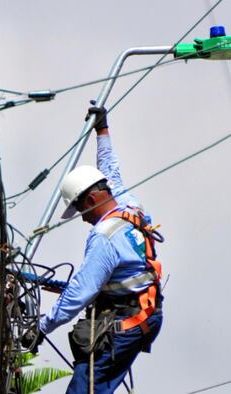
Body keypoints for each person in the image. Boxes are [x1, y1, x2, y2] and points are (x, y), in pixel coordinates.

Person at [28, 104, 164, 393]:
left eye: (79, 209)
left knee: (85, 387)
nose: (82, 218)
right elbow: (109, 168)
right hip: (146, 309)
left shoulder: (104, 236)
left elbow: (81, 290)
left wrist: (42, 327)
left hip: (130, 318)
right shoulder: (127, 203)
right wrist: (102, 130)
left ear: (90, 201)